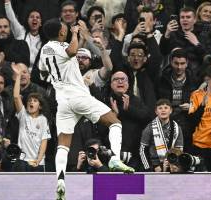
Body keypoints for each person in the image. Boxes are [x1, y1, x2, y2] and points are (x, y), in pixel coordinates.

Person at [38, 18, 134, 200]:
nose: (67, 30)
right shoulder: (62, 46)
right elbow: (72, 51)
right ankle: (114, 158)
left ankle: (60, 180)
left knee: (63, 144)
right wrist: (75, 34)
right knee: (115, 122)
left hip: (63, 102)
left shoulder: (44, 49)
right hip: (78, 97)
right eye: (65, 29)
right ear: (61, 33)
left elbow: (43, 71)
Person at [12, 63, 51, 172]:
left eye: (34, 101)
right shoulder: (23, 115)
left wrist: (39, 160)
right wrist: (18, 76)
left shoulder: (43, 120)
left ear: (40, 106)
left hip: (38, 162)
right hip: (22, 160)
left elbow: (44, 141)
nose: (31, 102)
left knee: (37, 189)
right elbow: (16, 97)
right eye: (29, 101)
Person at [140, 99, 184, 172]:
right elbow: (142, 150)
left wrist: (174, 165)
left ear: (171, 111)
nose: (163, 110)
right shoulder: (149, 128)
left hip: (172, 164)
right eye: (160, 108)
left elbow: (179, 149)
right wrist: (151, 168)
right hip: (155, 166)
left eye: (166, 108)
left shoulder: (177, 128)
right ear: (156, 112)